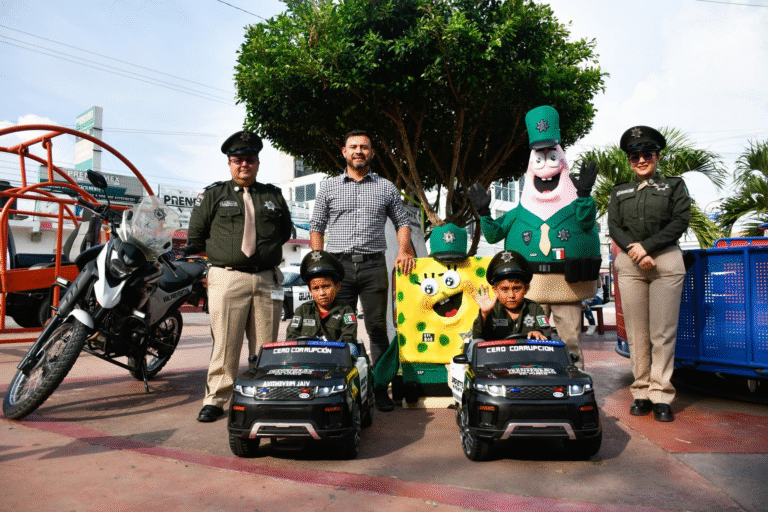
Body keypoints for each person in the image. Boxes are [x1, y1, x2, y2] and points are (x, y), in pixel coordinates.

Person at [187, 130, 292, 422]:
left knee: (265, 345)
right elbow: (197, 235)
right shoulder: (214, 195)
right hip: (227, 278)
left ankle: (262, 395)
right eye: (237, 160)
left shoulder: (273, 195)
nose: (243, 165)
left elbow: (284, 232)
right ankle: (216, 399)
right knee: (225, 343)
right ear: (229, 163)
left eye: (249, 159)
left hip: (266, 279)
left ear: (258, 162)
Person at [310, 129, 415, 412]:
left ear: (372, 153)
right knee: (336, 327)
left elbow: (402, 222)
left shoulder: (386, 187)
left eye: (364, 147)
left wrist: (404, 249)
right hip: (338, 268)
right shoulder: (329, 187)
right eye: (353, 146)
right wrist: (318, 261)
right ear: (344, 152)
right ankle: (336, 387)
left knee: (378, 328)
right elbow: (316, 226)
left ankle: (380, 388)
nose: (358, 151)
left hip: (373, 266)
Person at [608, 125, 691, 423]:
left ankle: (661, 394)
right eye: (635, 157)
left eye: (647, 154)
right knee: (637, 333)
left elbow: (680, 220)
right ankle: (641, 391)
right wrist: (635, 252)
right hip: (631, 264)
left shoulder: (673, 186)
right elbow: (614, 226)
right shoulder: (619, 192)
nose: (641, 160)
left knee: (663, 332)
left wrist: (648, 247)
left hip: (665, 260)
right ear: (629, 161)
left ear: (657, 156)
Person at [468, 250, 552, 354]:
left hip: (528, 358)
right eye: (504, 289)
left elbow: (546, 331)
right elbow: (477, 337)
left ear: (526, 289)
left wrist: (539, 332)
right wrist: (484, 314)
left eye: (516, 288)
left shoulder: (534, 308)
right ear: (495, 290)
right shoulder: (491, 309)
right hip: (496, 359)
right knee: (475, 343)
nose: (511, 295)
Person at [285, 250, 358, 344]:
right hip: (306, 356)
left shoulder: (345, 311)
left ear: (337, 287)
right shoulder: (303, 311)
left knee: (351, 349)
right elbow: (291, 337)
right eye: (315, 288)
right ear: (310, 292)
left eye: (326, 286)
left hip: (335, 356)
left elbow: (348, 337)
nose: (321, 293)